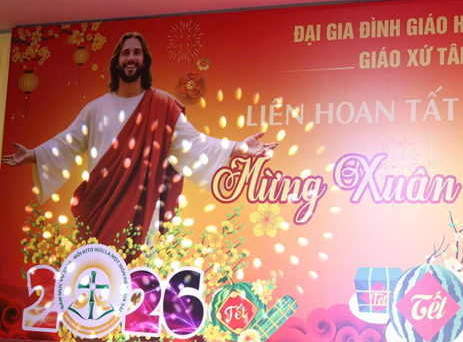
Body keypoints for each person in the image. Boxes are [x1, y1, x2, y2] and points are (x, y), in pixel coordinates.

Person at [2, 31, 277, 249]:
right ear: (117, 61)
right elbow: (68, 142)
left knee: (139, 283)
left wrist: (237, 148)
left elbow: (195, 143)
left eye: (136, 52)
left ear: (144, 61)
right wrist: (33, 154)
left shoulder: (162, 105)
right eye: (125, 53)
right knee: (97, 279)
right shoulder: (95, 109)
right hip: (100, 208)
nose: (131, 58)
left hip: (143, 212)